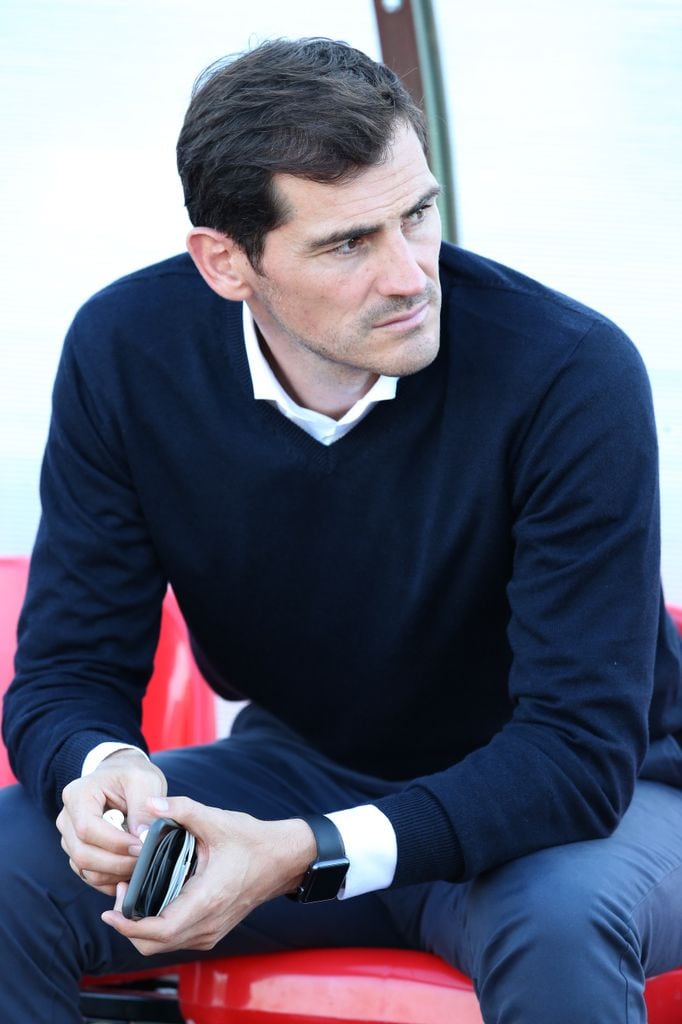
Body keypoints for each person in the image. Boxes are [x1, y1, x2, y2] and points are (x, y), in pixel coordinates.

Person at [1, 36, 682, 1024]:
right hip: (303, 764)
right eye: (348, 242)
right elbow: (66, 675)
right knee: (10, 870)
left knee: (563, 923)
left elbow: (576, 750)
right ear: (225, 261)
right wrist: (107, 777)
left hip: (587, 802)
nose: (410, 273)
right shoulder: (125, 351)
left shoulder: (568, 371)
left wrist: (309, 851)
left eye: (417, 214)